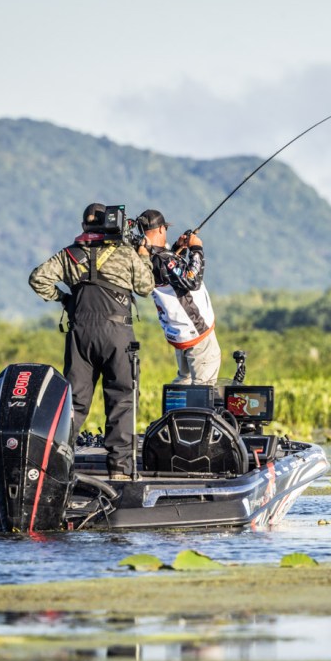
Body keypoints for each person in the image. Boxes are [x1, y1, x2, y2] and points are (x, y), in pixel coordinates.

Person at [28, 203, 155, 480]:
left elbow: (38, 279)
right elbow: (146, 288)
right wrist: (143, 256)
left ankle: (55, 467)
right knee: (122, 398)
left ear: (84, 226)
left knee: (73, 401)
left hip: (80, 334)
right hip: (117, 333)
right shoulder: (125, 253)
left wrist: (65, 299)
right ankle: (120, 470)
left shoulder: (69, 254)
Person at [138, 209, 222, 385]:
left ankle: (176, 403)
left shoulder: (145, 255)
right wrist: (196, 248)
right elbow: (192, 280)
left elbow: (169, 272)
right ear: (161, 229)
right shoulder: (163, 260)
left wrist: (179, 247)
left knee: (184, 381)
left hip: (180, 332)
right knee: (203, 387)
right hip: (196, 331)